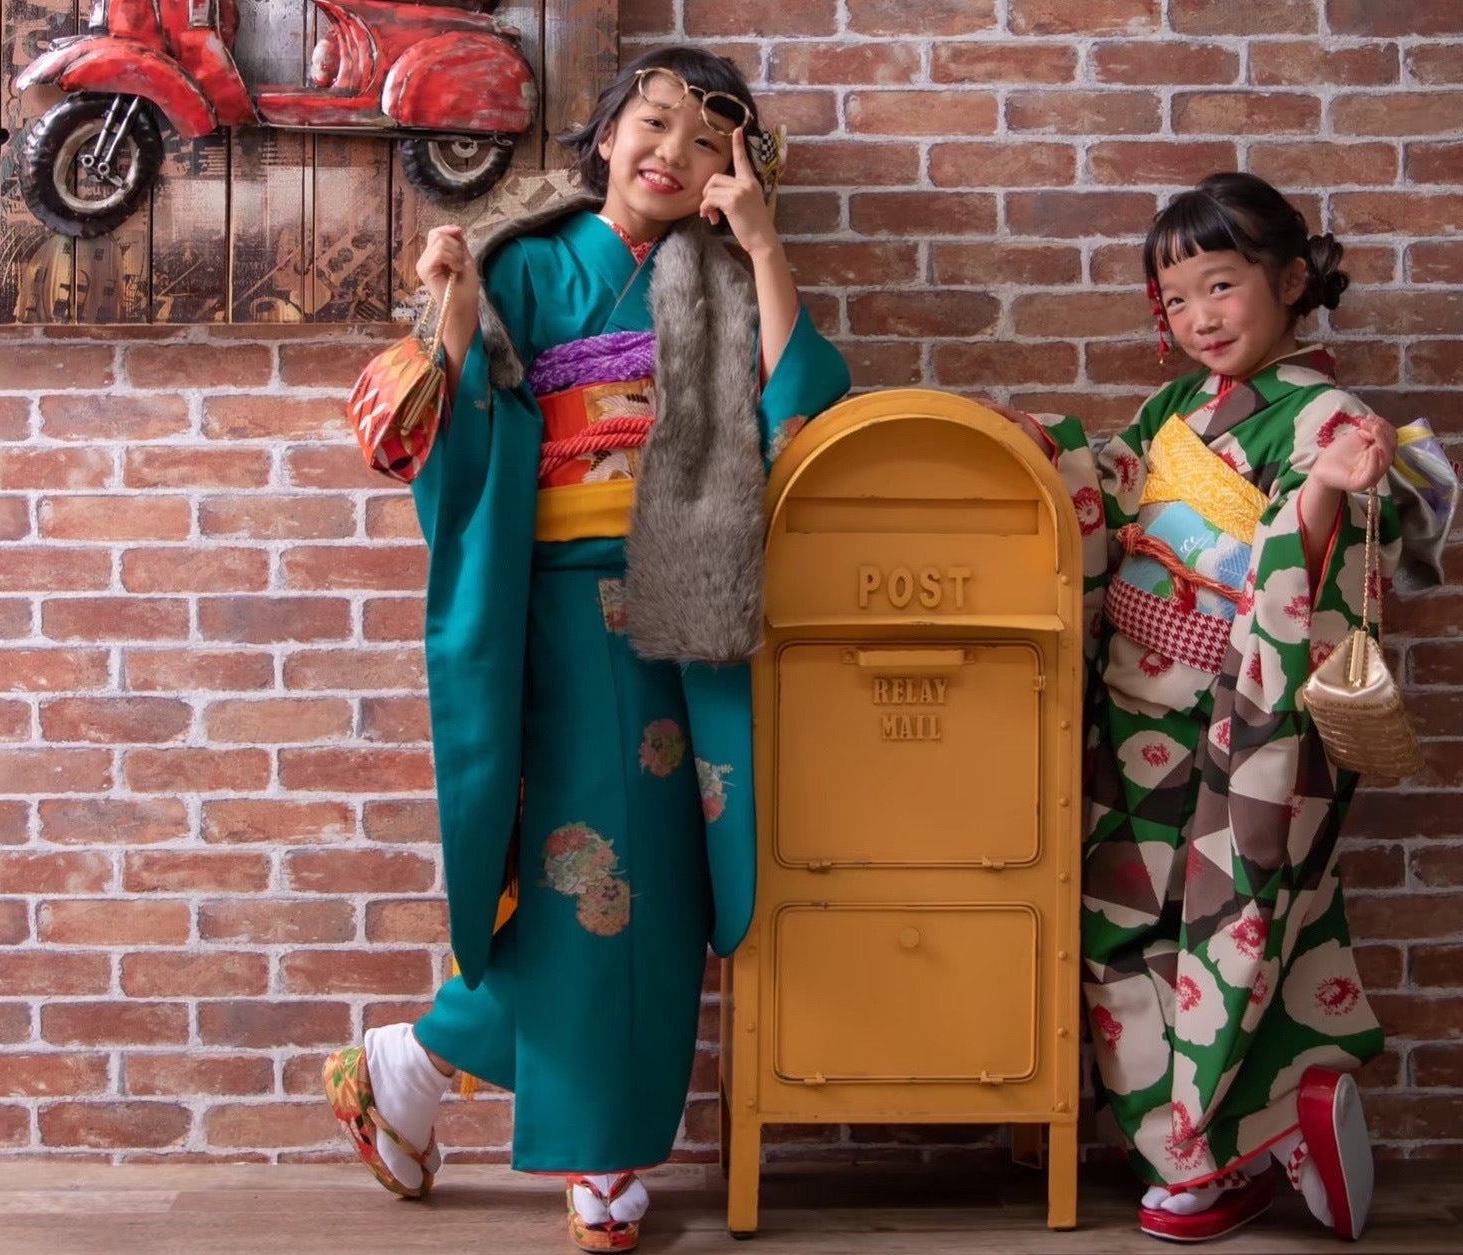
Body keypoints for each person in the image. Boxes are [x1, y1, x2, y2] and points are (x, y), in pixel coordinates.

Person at [325, 45, 850, 1253]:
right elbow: (458, 422)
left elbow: (799, 413)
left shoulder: (720, 278)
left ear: (733, 172)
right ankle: (597, 1155)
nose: (674, 154)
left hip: (682, 606)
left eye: (708, 143)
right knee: (598, 876)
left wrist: (765, 246)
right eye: (653, 124)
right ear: (607, 135)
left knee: (658, 884)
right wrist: (456, 305)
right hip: (561, 609)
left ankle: (413, 1062)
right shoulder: (528, 258)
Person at [996, 172, 1456, 1244]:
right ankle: (1212, 1140)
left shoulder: (1324, 415)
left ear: (1290, 282)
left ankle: (1212, 1154)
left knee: (1231, 923)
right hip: (1133, 712)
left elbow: (1324, 554)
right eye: (1177, 298)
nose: (1199, 316)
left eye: (1220, 284)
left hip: (1239, 718)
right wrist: (1036, 444)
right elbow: (1113, 481)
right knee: (1115, 928)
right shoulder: (1176, 410)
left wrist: (1331, 485)